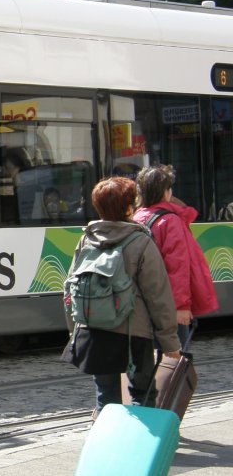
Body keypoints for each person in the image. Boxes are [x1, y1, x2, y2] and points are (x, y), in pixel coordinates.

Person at [62, 177, 181, 418]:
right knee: (142, 396)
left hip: (94, 331)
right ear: (128, 208)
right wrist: (169, 342)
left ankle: (105, 440)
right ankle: (140, 440)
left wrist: (75, 330)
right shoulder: (141, 242)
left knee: (106, 398)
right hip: (133, 336)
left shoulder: (87, 239)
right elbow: (158, 296)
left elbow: (69, 290)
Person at [133, 165, 219, 348]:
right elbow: (178, 267)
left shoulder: (136, 218)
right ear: (165, 192)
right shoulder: (170, 221)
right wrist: (181, 307)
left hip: (141, 303)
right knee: (174, 358)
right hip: (168, 306)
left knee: (150, 357)